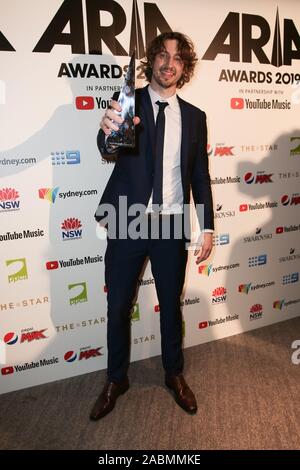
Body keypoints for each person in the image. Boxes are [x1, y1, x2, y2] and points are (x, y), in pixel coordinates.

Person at [90, 32, 214, 420]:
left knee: (170, 307)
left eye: (177, 58)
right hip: (128, 220)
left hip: (171, 223)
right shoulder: (131, 98)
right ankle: (116, 378)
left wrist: (206, 226)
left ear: (185, 68)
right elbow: (108, 146)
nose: (169, 63)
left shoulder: (195, 117)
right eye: (162, 55)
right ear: (152, 60)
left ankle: (173, 373)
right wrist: (108, 133)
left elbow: (200, 174)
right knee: (117, 306)